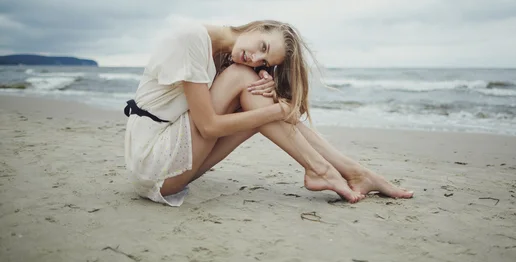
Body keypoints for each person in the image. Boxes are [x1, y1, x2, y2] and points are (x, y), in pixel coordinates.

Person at [124, 20, 414, 206]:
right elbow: (209, 127)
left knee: (254, 97)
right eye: (262, 46)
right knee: (246, 85)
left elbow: (251, 113)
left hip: (168, 168)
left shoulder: (228, 58)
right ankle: (322, 169)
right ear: (257, 27)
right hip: (153, 161)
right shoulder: (192, 40)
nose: (256, 58)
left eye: (265, 60)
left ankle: (350, 171)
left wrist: (271, 98)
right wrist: (276, 108)